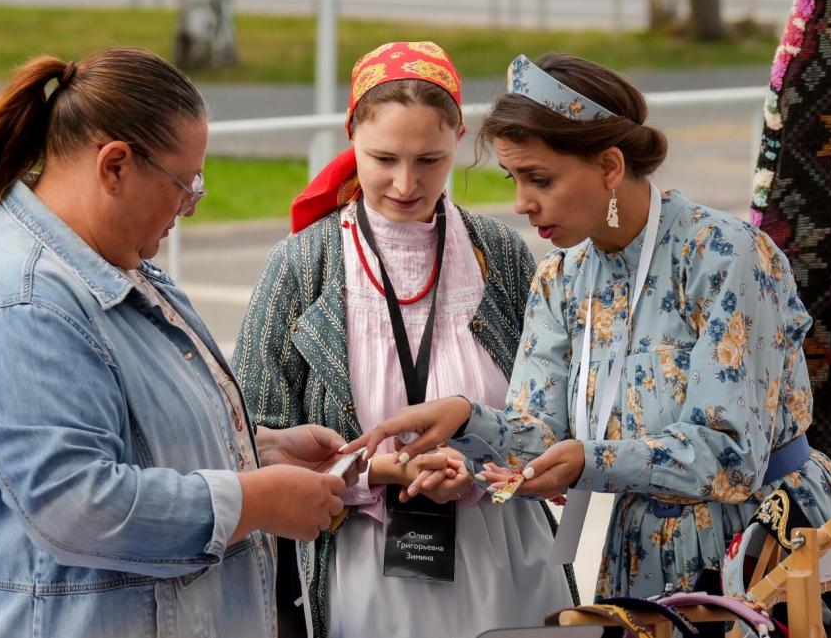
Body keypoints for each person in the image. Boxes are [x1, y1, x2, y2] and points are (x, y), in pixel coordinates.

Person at [346, 51, 831, 605]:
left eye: (539, 178)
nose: (521, 202)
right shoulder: (560, 279)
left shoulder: (724, 256)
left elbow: (731, 455)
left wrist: (589, 461)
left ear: (610, 167)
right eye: (514, 178)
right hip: (639, 555)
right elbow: (539, 433)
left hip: (770, 546)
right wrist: (464, 419)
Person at [0, 48, 351, 638]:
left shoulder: (96, 258)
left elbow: (119, 431)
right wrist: (254, 500)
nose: (189, 207)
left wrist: (255, 451)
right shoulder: (24, 301)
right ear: (115, 166)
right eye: (186, 184)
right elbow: (79, 505)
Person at [234, 41, 576, 638]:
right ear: (351, 138)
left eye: (430, 160)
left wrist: (482, 466)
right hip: (363, 566)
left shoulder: (500, 255)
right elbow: (246, 438)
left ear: (460, 138)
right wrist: (369, 472)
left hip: (505, 560)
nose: (405, 182)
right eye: (383, 157)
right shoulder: (302, 266)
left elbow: (553, 418)